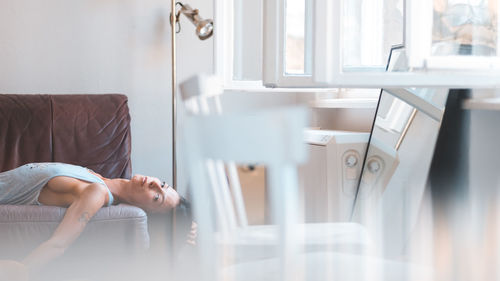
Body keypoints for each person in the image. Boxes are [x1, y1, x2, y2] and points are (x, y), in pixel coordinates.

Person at [0, 162, 183, 281]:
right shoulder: (100, 178)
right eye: (164, 184)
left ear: (148, 211)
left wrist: (23, 269)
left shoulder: (97, 192)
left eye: (157, 197)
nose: (156, 185)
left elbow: (59, 243)